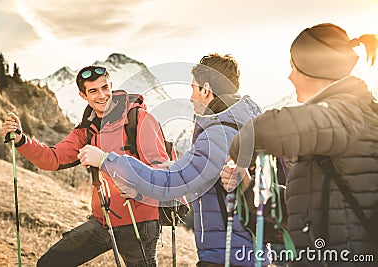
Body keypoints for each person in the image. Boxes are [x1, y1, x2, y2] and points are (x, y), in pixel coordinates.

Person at [78, 53, 269, 266]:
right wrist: (178, 167)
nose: (190, 97)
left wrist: (106, 160)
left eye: (193, 88)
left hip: (227, 255)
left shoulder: (219, 134)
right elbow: (205, 176)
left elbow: (169, 184)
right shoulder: (250, 127)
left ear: (206, 89)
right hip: (249, 251)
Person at [223, 23, 378, 266]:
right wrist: (247, 184)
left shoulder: (349, 111)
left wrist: (243, 148)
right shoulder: (335, 124)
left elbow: (265, 131)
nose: (289, 76)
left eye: (293, 67)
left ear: (310, 69)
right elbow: (299, 215)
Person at [2, 66, 170, 266]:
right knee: (50, 263)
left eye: (105, 88)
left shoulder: (139, 119)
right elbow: (52, 158)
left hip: (139, 222)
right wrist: (21, 140)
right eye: (93, 91)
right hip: (103, 221)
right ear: (83, 95)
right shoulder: (87, 130)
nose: (102, 95)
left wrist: (137, 187)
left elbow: (161, 170)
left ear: (111, 87)